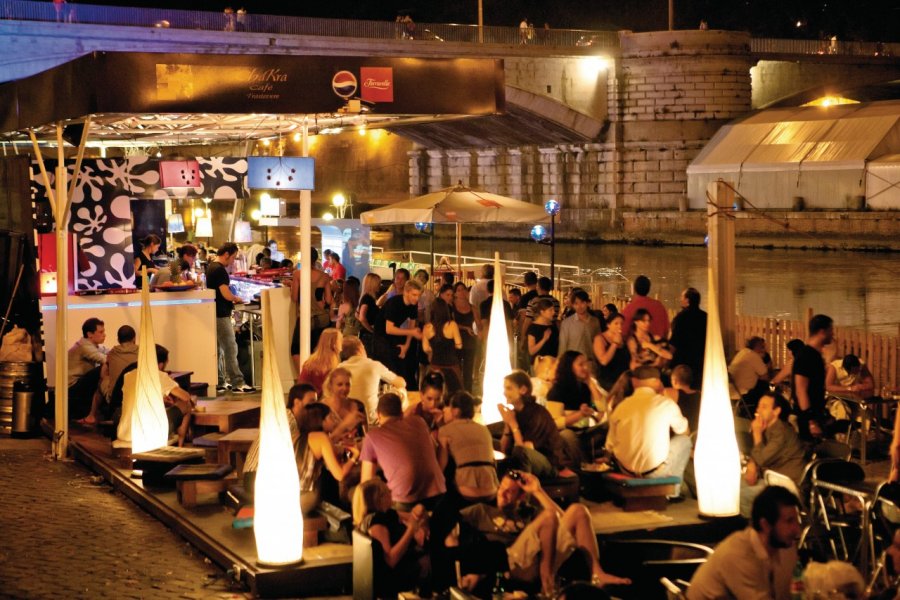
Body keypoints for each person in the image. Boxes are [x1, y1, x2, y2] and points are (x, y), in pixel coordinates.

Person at [446, 471, 630, 597]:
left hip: (540, 559)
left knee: (578, 511)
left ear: (521, 497)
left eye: (510, 491)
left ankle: (597, 575)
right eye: (502, 487)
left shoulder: (529, 513)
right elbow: (449, 523)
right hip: (511, 565)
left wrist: (537, 491)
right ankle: (547, 582)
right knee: (549, 517)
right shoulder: (482, 511)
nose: (503, 494)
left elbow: (565, 522)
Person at [688, 486, 802, 600]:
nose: (797, 530)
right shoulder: (738, 555)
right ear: (765, 525)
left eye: (797, 520)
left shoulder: (785, 546)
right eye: (789, 521)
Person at [605, 366, 690, 497]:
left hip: (625, 470)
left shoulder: (621, 406)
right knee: (684, 442)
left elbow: (610, 445)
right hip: (653, 472)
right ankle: (673, 493)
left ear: (634, 382)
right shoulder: (666, 404)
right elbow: (684, 431)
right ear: (657, 382)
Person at [360, 392, 446, 510]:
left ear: (378, 415)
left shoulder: (372, 436)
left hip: (406, 501)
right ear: (401, 413)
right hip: (438, 494)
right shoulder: (419, 422)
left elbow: (366, 483)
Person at [352, 479, 430, 597]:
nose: (391, 491)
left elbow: (412, 517)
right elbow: (390, 559)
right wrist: (411, 531)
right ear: (379, 498)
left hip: (402, 563)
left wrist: (419, 510)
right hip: (391, 577)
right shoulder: (376, 522)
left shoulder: (387, 514)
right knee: (437, 557)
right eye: (387, 491)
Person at [740, 393, 806, 517]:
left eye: (764, 407)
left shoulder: (781, 432)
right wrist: (752, 463)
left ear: (776, 411)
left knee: (741, 496)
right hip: (770, 480)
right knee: (733, 486)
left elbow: (762, 458)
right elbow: (758, 456)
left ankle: (759, 531)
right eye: (758, 406)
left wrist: (757, 434)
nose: (758, 410)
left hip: (786, 488)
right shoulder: (768, 429)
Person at [115, 344, 194, 448]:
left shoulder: (128, 376)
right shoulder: (159, 375)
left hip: (125, 432)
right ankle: (180, 446)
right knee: (186, 405)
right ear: (160, 365)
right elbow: (186, 397)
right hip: (151, 433)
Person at [499, 370, 569, 481]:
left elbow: (524, 450)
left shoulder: (537, 413)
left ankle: (523, 494)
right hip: (527, 460)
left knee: (520, 453)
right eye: (504, 388)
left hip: (549, 464)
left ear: (523, 390)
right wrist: (508, 425)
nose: (504, 393)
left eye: (509, 388)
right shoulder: (514, 413)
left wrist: (513, 424)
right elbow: (503, 450)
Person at [207, 243, 254, 394]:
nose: (233, 261)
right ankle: (237, 383)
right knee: (230, 347)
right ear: (226, 254)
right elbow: (225, 293)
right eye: (233, 257)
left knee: (219, 349)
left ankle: (221, 381)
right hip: (220, 313)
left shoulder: (211, 267)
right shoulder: (220, 270)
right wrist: (236, 298)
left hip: (213, 312)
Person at [438, 391, 499, 502]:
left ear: (456, 411)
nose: (444, 410)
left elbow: (441, 465)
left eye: (448, 407)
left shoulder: (445, 431)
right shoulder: (483, 429)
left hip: (467, 489)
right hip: (492, 488)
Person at [339, 336, 406, 424]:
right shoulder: (374, 365)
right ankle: (397, 421)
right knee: (401, 391)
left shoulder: (339, 368)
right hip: (372, 419)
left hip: (345, 419)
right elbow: (401, 383)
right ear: (360, 349)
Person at [375, 280, 423, 389]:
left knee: (404, 368)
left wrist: (406, 346)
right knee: (390, 370)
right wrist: (411, 332)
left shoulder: (413, 305)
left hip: (394, 337)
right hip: (381, 338)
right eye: (414, 295)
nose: (417, 298)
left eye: (418, 295)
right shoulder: (394, 303)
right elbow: (389, 329)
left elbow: (412, 325)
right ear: (406, 292)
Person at [291, 248, 332, 371]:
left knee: (296, 350)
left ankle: (304, 377)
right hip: (322, 317)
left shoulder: (298, 274)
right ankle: (318, 378)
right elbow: (329, 300)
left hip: (305, 316)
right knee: (318, 351)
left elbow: (294, 297)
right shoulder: (324, 276)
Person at [793, 314, 834, 440]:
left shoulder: (815, 355)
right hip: (808, 418)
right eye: (831, 331)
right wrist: (811, 422)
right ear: (822, 332)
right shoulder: (806, 355)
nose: (833, 334)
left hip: (816, 413)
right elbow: (801, 390)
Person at [68, 317, 108, 423]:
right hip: (73, 386)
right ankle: (92, 415)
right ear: (90, 334)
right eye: (101, 332)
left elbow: (107, 352)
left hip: (79, 383)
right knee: (103, 368)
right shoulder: (84, 346)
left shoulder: (91, 345)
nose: (104, 334)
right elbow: (104, 359)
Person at [422, 297, 464, 393]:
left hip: (435, 365)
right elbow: (459, 345)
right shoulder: (452, 325)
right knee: (455, 394)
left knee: (435, 392)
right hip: (452, 366)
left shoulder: (427, 327)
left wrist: (434, 349)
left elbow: (425, 348)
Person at [668, 287, 707, 386]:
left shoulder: (681, 318)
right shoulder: (706, 317)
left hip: (683, 362)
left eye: (682, 297)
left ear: (687, 300)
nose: (680, 299)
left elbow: (674, 341)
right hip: (701, 362)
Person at [557, 290, 602, 370]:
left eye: (582, 303)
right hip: (573, 365)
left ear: (587, 303)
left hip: (590, 364)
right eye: (576, 304)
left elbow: (599, 343)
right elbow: (562, 348)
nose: (579, 306)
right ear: (573, 305)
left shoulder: (595, 322)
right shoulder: (567, 323)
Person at [319, 366, 367, 441]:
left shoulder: (359, 405)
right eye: (340, 384)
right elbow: (322, 442)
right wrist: (345, 424)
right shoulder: (321, 408)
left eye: (347, 384)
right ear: (331, 386)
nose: (344, 388)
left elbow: (365, 436)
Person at [453, 282, 481, 392]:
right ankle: (457, 391)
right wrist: (465, 328)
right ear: (455, 293)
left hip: (470, 340)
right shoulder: (452, 306)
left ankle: (468, 392)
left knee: (468, 369)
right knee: (457, 368)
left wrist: (479, 330)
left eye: (463, 289)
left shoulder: (472, 307)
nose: (461, 292)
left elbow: (478, 323)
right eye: (458, 290)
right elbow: (451, 322)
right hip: (456, 340)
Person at [621, 275, 669, 339]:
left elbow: (623, 332)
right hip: (659, 344)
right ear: (649, 289)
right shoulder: (659, 306)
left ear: (635, 289)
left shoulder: (629, 308)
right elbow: (666, 329)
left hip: (638, 347)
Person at [729, 336, 771, 408]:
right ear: (757, 346)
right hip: (744, 393)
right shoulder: (752, 355)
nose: (764, 350)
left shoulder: (742, 352)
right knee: (767, 388)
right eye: (763, 347)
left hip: (732, 390)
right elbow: (765, 376)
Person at [100, 325, 138, 402]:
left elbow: (103, 373)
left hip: (116, 398)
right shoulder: (142, 351)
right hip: (138, 395)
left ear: (118, 340)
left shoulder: (113, 353)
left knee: (102, 380)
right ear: (134, 338)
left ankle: (93, 413)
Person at [593, 313, 630, 391]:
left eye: (621, 324)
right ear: (608, 325)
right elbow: (604, 361)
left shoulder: (624, 339)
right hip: (608, 380)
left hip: (623, 379)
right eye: (616, 323)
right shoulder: (600, 339)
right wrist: (614, 344)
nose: (619, 326)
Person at [298, 328, 342, 394]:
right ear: (335, 344)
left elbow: (301, 385)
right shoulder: (334, 363)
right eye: (340, 341)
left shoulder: (310, 362)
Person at [666, 365, 701, 434]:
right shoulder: (701, 394)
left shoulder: (671, 393)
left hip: (680, 436)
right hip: (697, 433)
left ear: (675, 381)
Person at [527, 298, 560, 365]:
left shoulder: (553, 325)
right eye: (550, 310)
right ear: (542, 312)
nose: (554, 312)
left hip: (553, 362)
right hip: (539, 364)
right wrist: (544, 339)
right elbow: (531, 351)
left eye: (553, 309)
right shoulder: (533, 327)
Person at [357, 272, 382, 356]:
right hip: (367, 336)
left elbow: (358, 315)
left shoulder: (367, 298)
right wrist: (371, 330)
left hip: (366, 335)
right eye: (378, 283)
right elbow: (362, 317)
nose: (380, 285)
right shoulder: (367, 298)